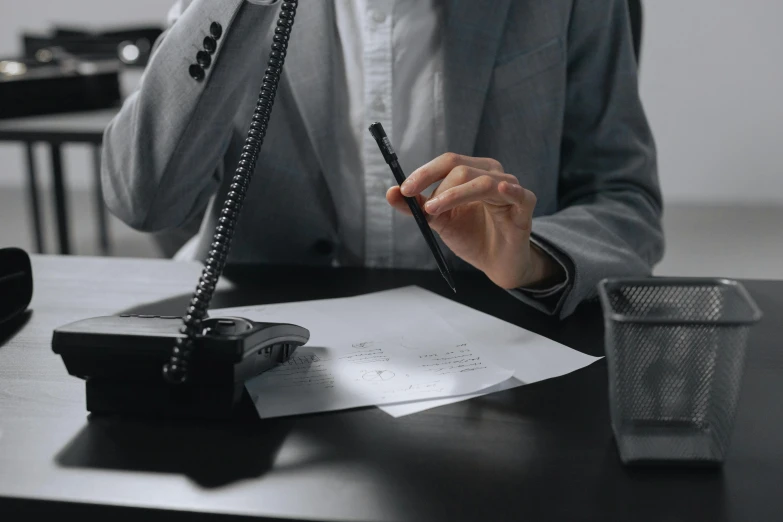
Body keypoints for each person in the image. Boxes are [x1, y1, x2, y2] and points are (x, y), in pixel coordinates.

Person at [102, 0, 664, 319]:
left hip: (495, 340)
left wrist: (534, 260)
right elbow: (143, 200)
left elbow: (626, 200)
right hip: (269, 340)